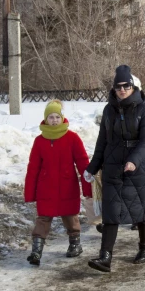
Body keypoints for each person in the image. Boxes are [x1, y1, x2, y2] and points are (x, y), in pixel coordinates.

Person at [84, 65, 145, 272]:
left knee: (140, 209)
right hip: (113, 166)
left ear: (133, 87)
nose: (122, 90)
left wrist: (134, 160)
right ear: (114, 89)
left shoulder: (144, 109)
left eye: (126, 86)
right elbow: (102, 141)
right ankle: (105, 257)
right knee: (110, 212)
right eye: (118, 87)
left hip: (137, 168)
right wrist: (93, 167)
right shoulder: (109, 110)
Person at [24, 100, 92, 266]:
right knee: (43, 218)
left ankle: (75, 244)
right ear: (45, 120)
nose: (54, 120)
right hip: (46, 187)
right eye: (50, 117)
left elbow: (83, 163)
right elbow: (33, 168)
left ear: (62, 118)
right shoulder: (39, 141)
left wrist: (88, 186)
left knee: (70, 217)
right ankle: (36, 251)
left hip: (68, 186)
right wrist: (30, 192)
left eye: (56, 117)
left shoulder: (72, 138)